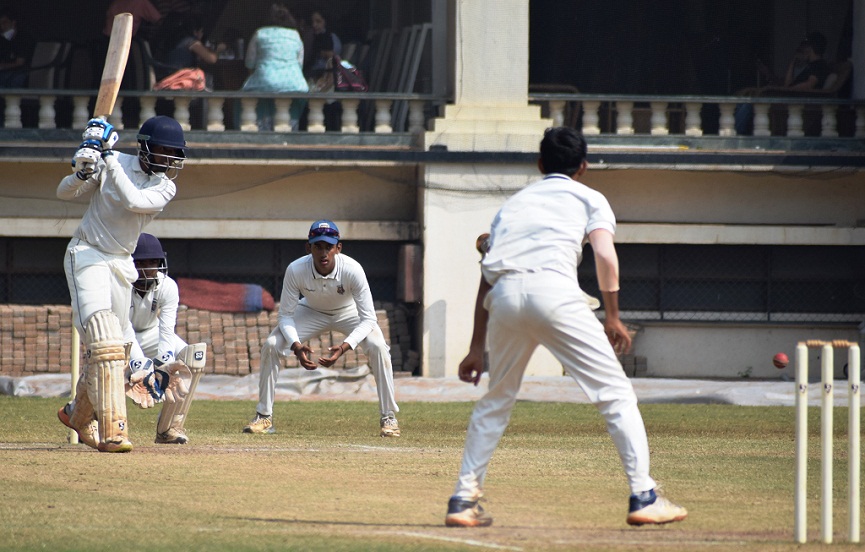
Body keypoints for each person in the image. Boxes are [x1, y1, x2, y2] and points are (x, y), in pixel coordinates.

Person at [444, 127, 687, 528]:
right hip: (554, 293)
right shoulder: (590, 197)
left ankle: (462, 501)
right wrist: (612, 315)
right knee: (615, 394)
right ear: (584, 167)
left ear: (540, 165)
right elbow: (605, 256)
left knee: (496, 400)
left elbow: (486, 276)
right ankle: (644, 495)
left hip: (504, 297)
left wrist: (475, 348)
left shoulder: (514, 205)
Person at [56, 115, 187, 453]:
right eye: (163, 150)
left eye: (174, 153)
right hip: (87, 252)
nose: (169, 159)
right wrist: (84, 170)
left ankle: (78, 414)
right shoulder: (116, 160)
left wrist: (108, 156)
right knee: (103, 336)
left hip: (121, 260)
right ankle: (115, 430)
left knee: (117, 346)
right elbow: (65, 192)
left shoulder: (164, 187)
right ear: (144, 145)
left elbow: (132, 201)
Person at [243, 220, 400, 437]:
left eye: (328, 246)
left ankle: (388, 417)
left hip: (349, 312)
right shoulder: (296, 269)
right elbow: (285, 315)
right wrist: (296, 346)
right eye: (318, 246)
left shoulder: (353, 269)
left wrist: (345, 347)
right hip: (310, 311)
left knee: (378, 346)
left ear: (338, 248)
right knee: (271, 344)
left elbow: (368, 319)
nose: (323, 252)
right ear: (309, 248)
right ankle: (264, 416)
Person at [128, 232, 208, 445]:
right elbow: (123, 327)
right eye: (140, 262)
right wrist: (141, 365)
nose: (147, 268)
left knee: (193, 358)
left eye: (152, 262)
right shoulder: (120, 284)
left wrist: (164, 365)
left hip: (152, 333)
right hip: (121, 336)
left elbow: (166, 329)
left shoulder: (168, 285)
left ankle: (168, 428)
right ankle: (95, 421)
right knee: (105, 363)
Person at [735, 32, 831, 135]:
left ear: (810, 48)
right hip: (789, 97)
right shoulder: (809, 66)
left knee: (750, 103)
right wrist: (793, 61)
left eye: (805, 47)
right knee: (746, 99)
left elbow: (809, 85)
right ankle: (738, 131)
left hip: (796, 103)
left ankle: (737, 133)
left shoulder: (819, 65)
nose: (802, 50)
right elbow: (787, 84)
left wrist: (782, 90)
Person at [241, 3, 308, 130]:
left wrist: (253, 76)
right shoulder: (295, 35)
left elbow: (249, 62)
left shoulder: (260, 33)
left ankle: (263, 126)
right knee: (289, 113)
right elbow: (299, 64)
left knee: (248, 101)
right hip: (294, 83)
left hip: (265, 80)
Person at [303, 9, 342, 80]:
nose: (314, 25)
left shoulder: (332, 38)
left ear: (325, 22)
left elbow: (333, 57)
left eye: (318, 21)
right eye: (312, 22)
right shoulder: (312, 37)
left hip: (323, 75)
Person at [0, 7, 34, 88]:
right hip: (6, 73)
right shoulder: (4, 40)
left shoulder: (23, 38)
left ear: (13, 23)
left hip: (21, 73)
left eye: (4, 22)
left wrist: (2, 66)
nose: (1, 26)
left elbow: (19, 62)